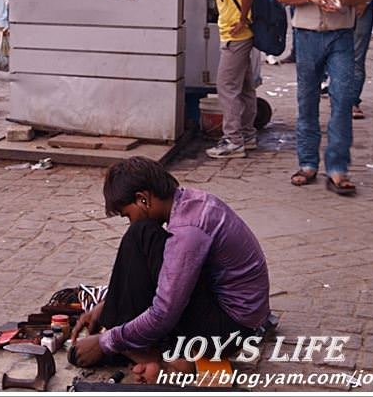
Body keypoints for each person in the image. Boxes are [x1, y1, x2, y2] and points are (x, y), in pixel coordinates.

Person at [69, 157, 270, 382]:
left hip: (231, 330)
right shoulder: (189, 202)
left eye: (127, 215)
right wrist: (108, 304)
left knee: (140, 234)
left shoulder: (187, 230)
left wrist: (106, 342)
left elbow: (164, 313)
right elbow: (170, 275)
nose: (129, 221)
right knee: (143, 237)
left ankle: (145, 350)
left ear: (142, 199)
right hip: (237, 314)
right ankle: (124, 328)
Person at [275, 0, 373, 197]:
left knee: (342, 100)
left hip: (341, 36)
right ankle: (307, 164)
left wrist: (344, 0)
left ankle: (337, 169)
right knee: (307, 101)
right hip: (306, 36)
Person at [200, 0, 257, 159]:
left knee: (226, 87)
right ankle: (247, 134)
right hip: (240, 36)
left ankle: (234, 141)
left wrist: (242, 19)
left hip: (236, 37)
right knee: (244, 87)